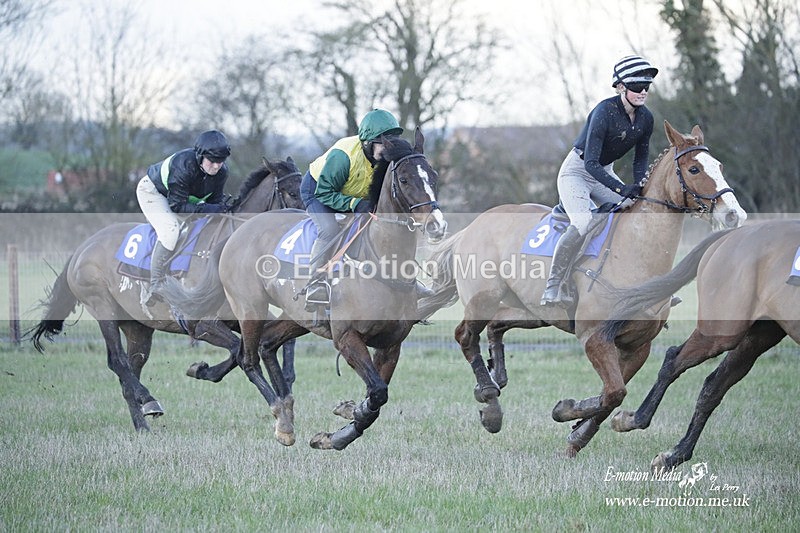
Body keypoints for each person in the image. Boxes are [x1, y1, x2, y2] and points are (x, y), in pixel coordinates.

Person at [540, 55, 658, 307]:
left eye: (647, 86)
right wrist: (620, 188)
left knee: (636, 211)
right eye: (637, 86)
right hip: (577, 171)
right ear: (620, 87)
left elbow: (640, 160)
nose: (643, 91)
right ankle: (552, 284)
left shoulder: (646, 119)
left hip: (603, 171)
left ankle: (645, 284)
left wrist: (638, 187)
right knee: (583, 222)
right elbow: (590, 163)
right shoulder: (604, 111)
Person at [300, 108, 404, 308]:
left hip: (350, 192)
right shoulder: (343, 156)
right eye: (384, 144)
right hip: (318, 190)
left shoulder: (384, 158)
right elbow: (324, 192)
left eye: (392, 142)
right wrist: (354, 204)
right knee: (329, 230)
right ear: (367, 143)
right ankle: (315, 282)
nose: (388, 150)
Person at [136, 129, 231, 306]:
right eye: (212, 161)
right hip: (154, 193)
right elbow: (178, 207)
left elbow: (214, 202)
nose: (217, 166)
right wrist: (212, 208)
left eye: (221, 161)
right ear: (200, 156)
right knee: (171, 230)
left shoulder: (221, 172)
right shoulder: (184, 165)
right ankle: (155, 284)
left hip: (180, 198)